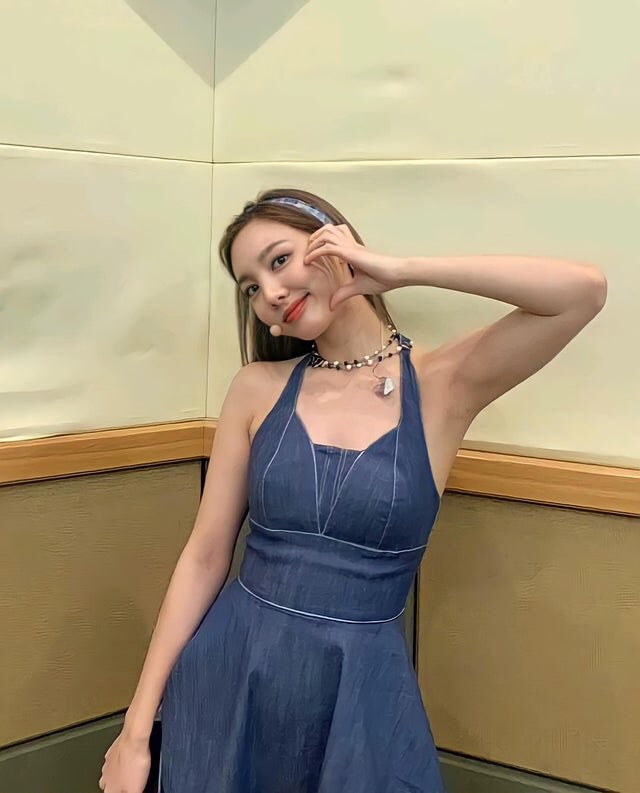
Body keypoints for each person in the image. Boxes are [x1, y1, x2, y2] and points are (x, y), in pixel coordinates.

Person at [99, 188, 607, 792]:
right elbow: (205, 557)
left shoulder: (443, 384)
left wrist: (399, 270)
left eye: (280, 260)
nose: (270, 293)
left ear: (336, 243)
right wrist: (136, 732)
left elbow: (582, 293)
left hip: (359, 700)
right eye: (251, 287)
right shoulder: (257, 388)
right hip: (229, 680)